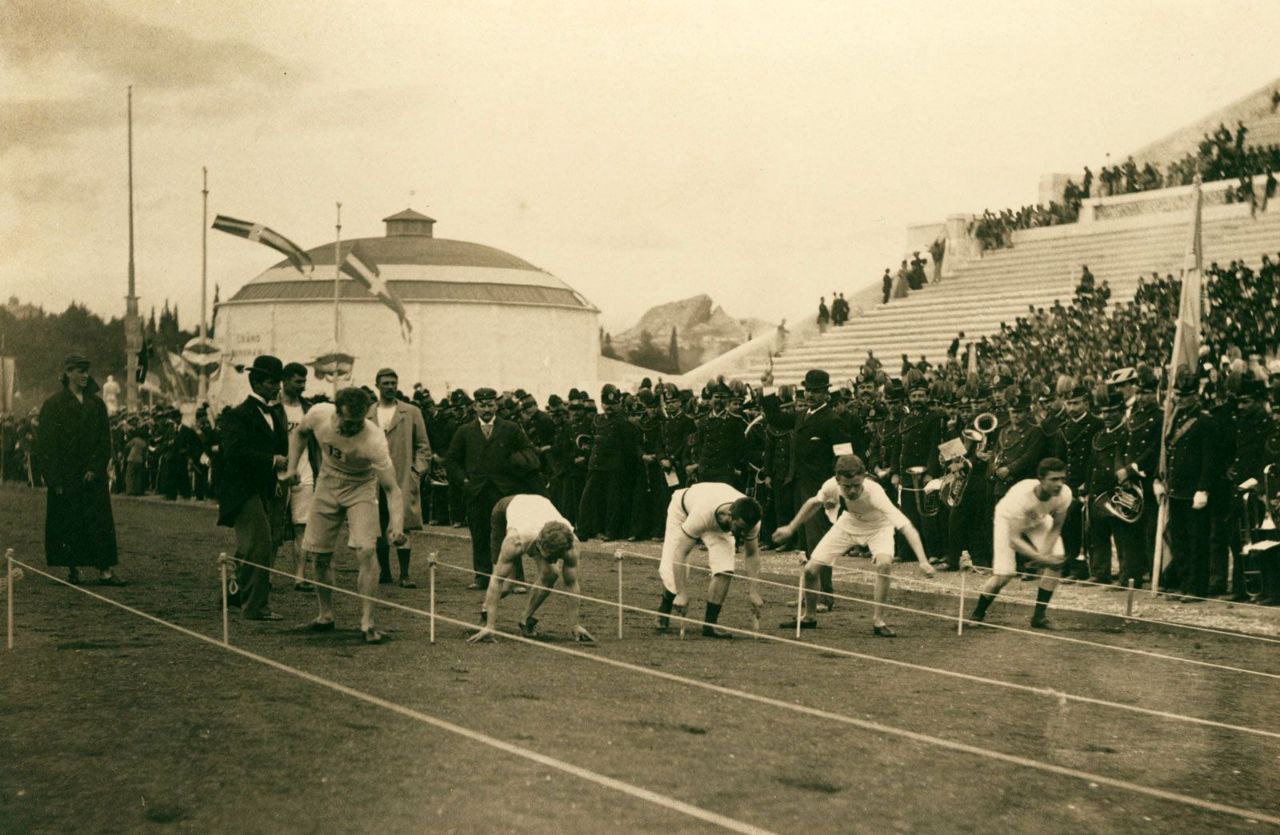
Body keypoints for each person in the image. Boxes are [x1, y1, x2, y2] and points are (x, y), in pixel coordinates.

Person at [286, 386, 404, 644]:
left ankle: (367, 622)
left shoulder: (374, 440)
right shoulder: (318, 414)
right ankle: (325, 615)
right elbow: (299, 434)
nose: (351, 428)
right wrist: (292, 466)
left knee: (366, 550)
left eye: (357, 423)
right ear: (336, 412)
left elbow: (392, 489)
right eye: (347, 422)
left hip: (360, 487)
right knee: (318, 554)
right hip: (328, 482)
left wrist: (397, 526)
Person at [773, 455, 934, 636]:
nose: (852, 491)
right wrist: (790, 528)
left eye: (857, 485)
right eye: (847, 486)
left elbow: (906, 527)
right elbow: (813, 503)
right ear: (837, 480)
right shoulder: (830, 485)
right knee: (810, 570)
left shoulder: (875, 493)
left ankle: (878, 621)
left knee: (884, 564)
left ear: (864, 478)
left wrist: (923, 561)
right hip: (848, 523)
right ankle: (809, 617)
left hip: (879, 527)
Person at [37, 354, 122, 586]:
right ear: (67, 373)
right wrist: (55, 479)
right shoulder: (53, 405)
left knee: (99, 523)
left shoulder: (96, 405)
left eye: (86, 371)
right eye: (79, 371)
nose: (84, 376)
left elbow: (105, 441)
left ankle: (105, 570)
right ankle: (73, 570)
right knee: (70, 523)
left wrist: (95, 468)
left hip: (92, 478)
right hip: (67, 477)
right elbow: (46, 445)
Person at [217, 355, 289, 620]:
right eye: (272, 382)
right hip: (240, 490)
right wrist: (272, 461)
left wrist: (279, 477)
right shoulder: (238, 415)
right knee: (259, 545)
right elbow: (233, 452)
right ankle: (256, 607)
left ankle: (236, 595)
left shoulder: (275, 414)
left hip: (263, 489)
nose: (277, 387)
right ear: (256, 383)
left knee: (251, 546)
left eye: (278, 382)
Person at [468, 493, 595, 643]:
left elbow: (571, 583)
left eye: (557, 557)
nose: (554, 561)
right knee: (508, 584)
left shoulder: (572, 546)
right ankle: (486, 613)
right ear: (539, 545)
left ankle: (525, 620)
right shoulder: (515, 541)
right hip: (505, 508)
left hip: (539, 505)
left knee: (551, 574)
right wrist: (490, 626)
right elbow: (497, 580)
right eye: (550, 558)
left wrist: (575, 624)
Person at [446, 387, 538, 591]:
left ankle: (515, 580)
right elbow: (452, 460)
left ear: (496, 405)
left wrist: (514, 463)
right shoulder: (464, 431)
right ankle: (482, 576)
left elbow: (528, 451)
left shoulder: (511, 428)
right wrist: (464, 481)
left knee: (511, 534)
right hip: (476, 490)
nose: (486, 409)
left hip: (504, 491)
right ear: (475, 407)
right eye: (482, 405)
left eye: (490, 404)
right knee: (479, 533)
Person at [970, 458, 1072, 628]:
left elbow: (1056, 527)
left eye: (1062, 478)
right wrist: (1042, 559)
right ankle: (978, 612)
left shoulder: (1065, 493)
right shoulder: (1021, 496)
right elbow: (1015, 540)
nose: (1059, 484)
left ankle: (1039, 617)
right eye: (1054, 479)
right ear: (1040, 479)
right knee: (1005, 575)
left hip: (1038, 517)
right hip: (1007, 519)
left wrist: (1043, 557)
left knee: (1057, 558)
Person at [654, 482, 764, 639]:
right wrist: (682, 593)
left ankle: (710, 626)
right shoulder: (702, 513)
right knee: (672, 570)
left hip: (718, 522)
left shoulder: (751, 521)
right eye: (739, 528)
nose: (742, 534)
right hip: (683, 511)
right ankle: (664, 609)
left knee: (725, 569)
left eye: (745, 530)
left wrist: (754, 591)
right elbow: (681, 553)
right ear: (729, 515)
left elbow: (752, 554)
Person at [368, 368, 431, 588]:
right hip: (374, 478)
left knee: (402, 524)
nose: (390, 387)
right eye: (385, 383)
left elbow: (424, 447)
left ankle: (404, 574)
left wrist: (417, 471)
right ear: (377, 385)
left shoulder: (411, 412)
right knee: (378, 523)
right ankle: (384, 572)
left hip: (402, 476)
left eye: (393, 383)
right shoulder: (368, 413)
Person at [279, 362, 317, 591]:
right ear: (285, 381)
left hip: (305, 471)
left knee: (302, 526)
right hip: (279, 471)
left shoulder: (308, 409)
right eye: (298, 381)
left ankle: (300, 576)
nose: (302, 385)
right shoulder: (274, 407)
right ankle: (267, 574)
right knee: (273, 526)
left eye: (304, 381)